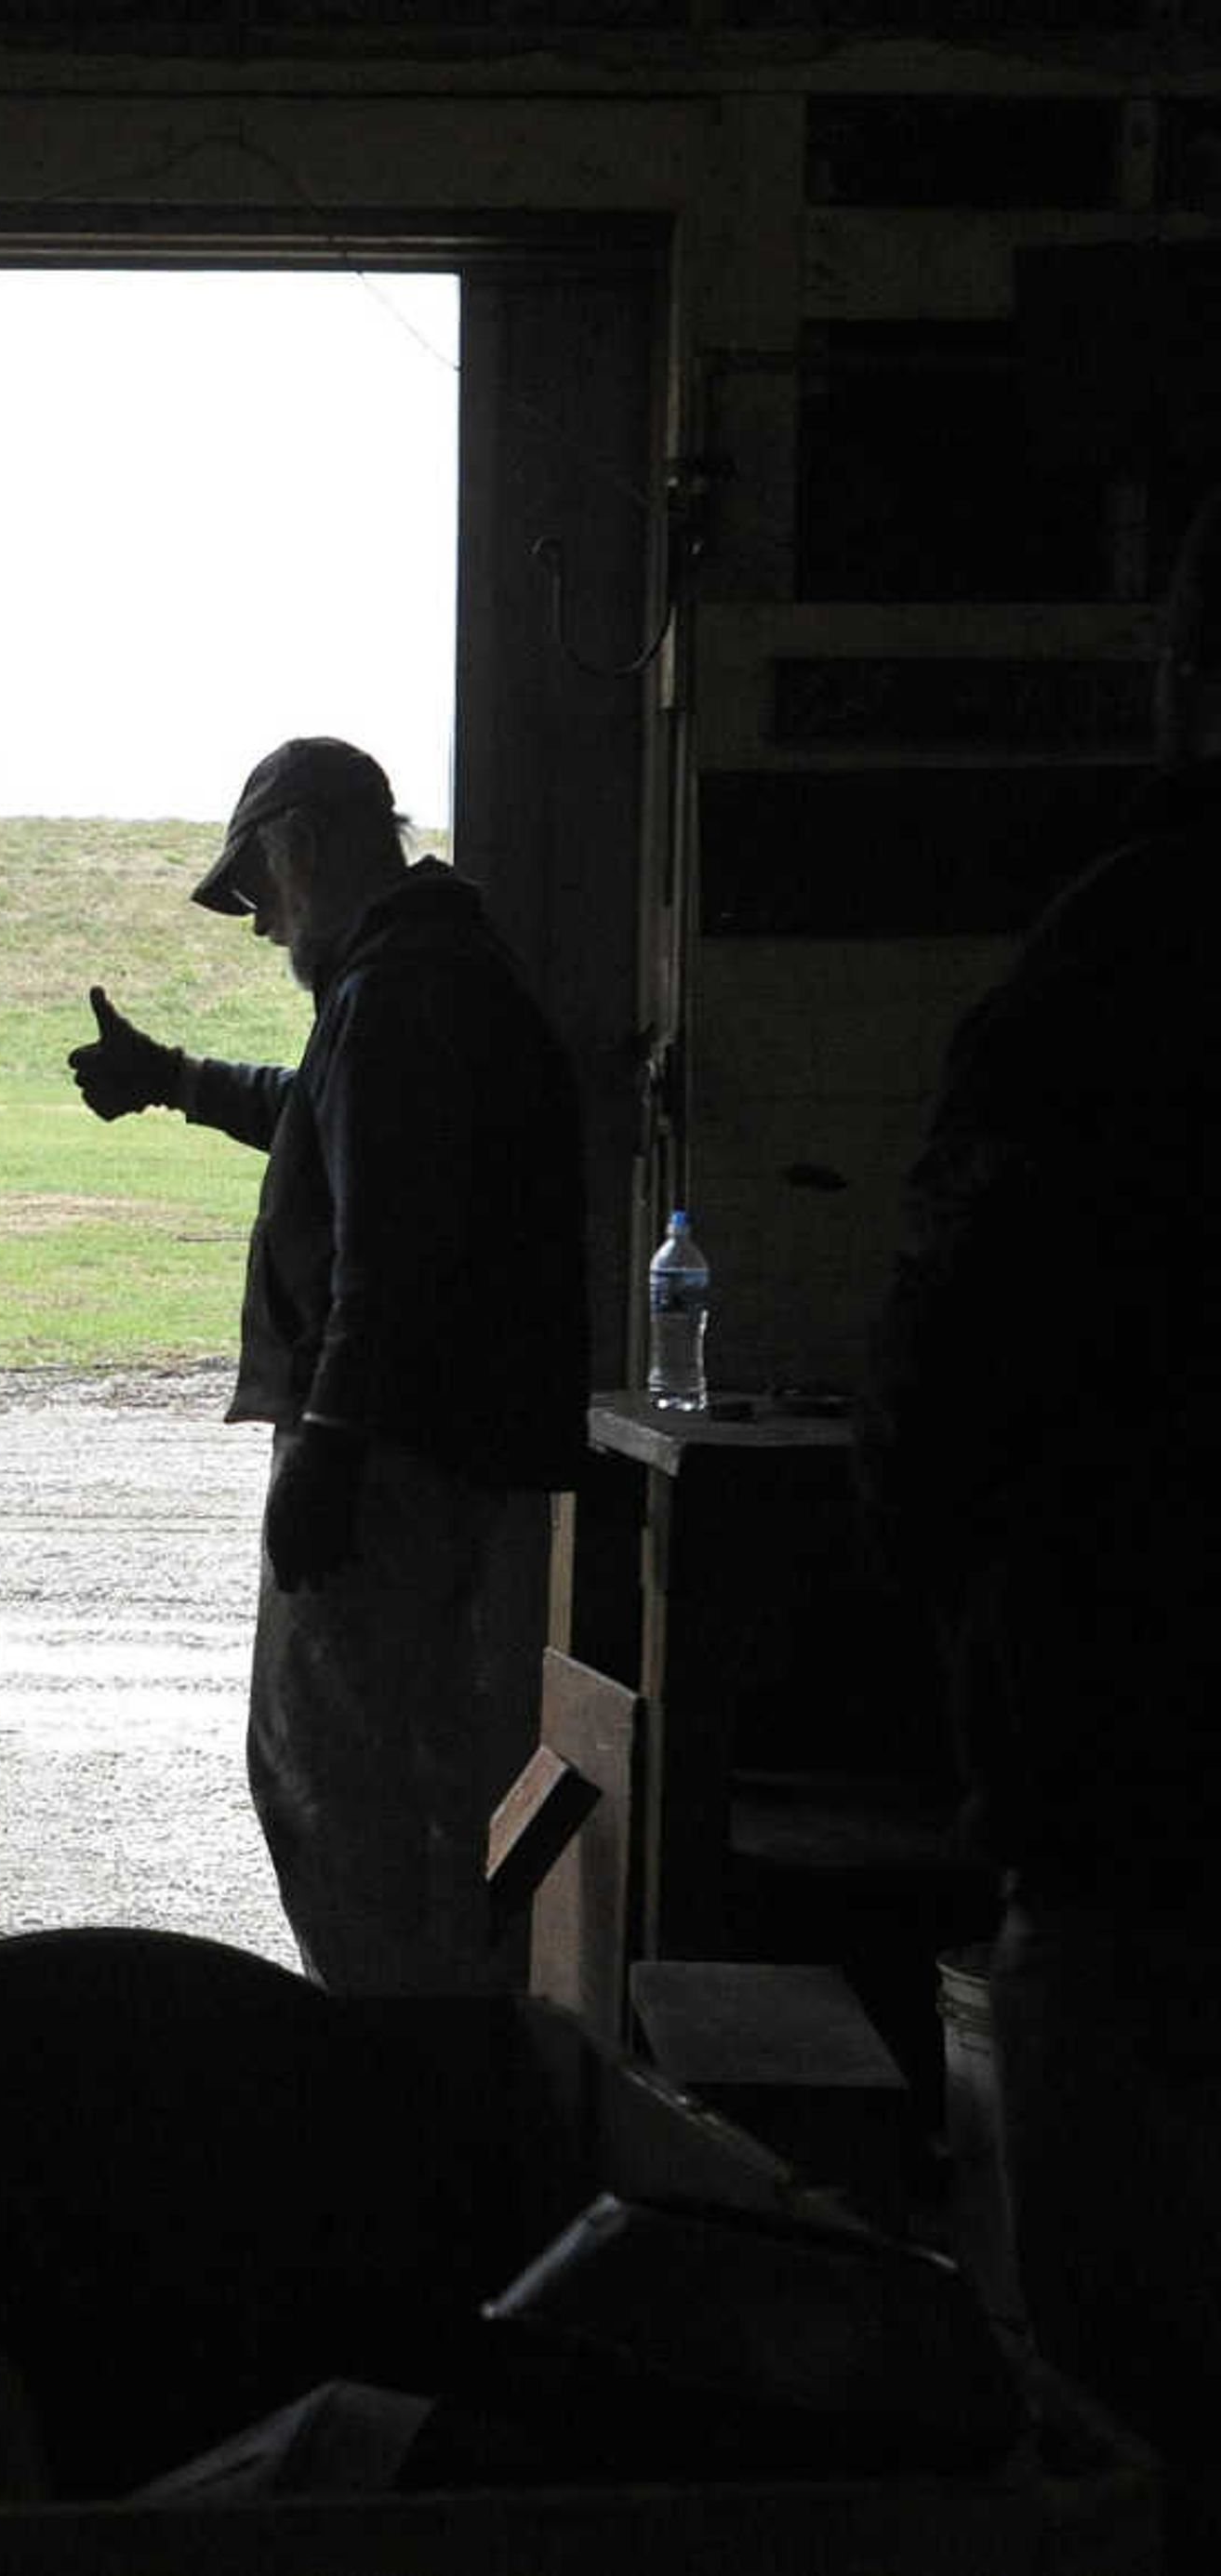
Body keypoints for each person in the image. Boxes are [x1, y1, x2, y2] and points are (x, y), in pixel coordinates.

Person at [860, 492, 1221, 2567]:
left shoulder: (1131, 953)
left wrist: (977, 1615)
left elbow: (953, 1355)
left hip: (1145, 1785)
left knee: (1125, 2404)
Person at [64, 737, 586, 1995]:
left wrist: (330, 1455)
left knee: (335, 1783)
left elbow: (386, 1259)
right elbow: (324, 1112)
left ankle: (384, 2062)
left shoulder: (400, 991)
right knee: (405, 1767)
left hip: (387, 1461)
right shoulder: (424, 973)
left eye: (255, 891)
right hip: (432, 1451)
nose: (258, 928)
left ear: (303, 845)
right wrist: (174, 1081)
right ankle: (427, 2050)